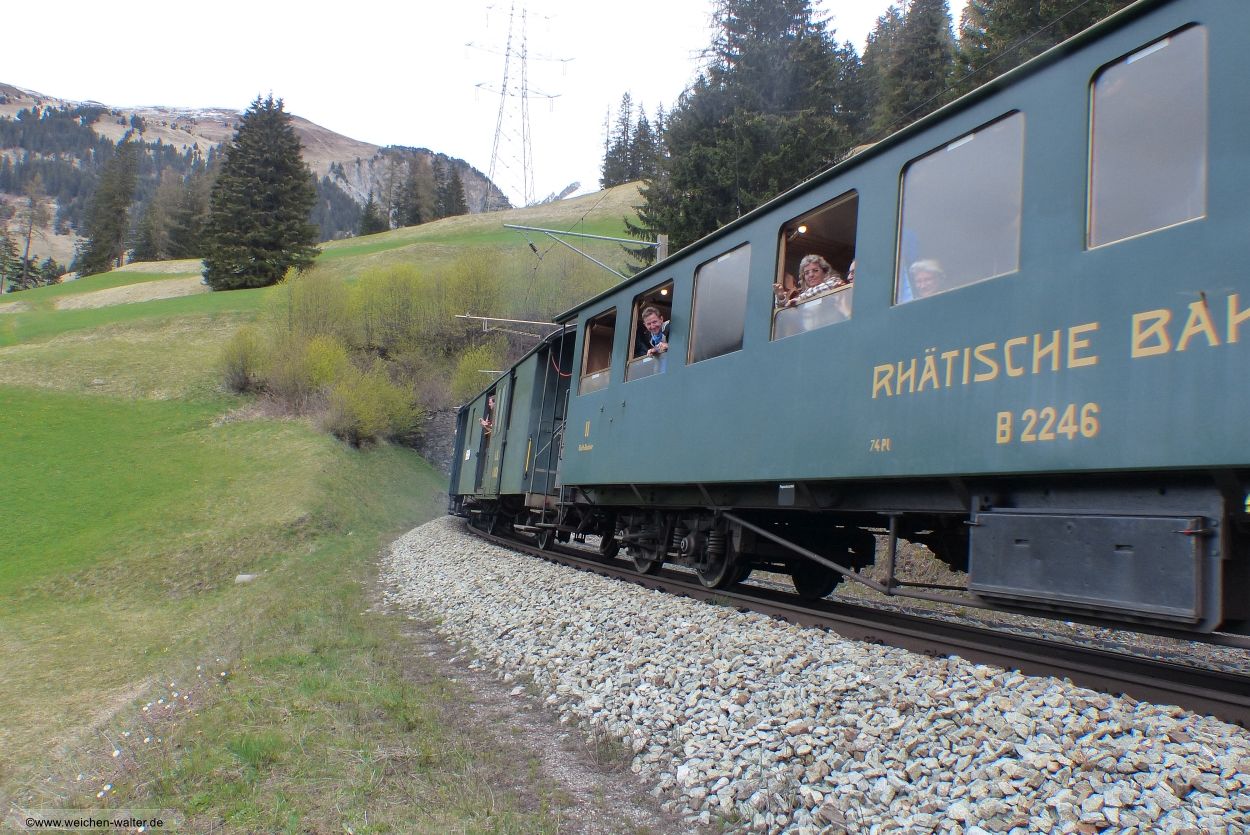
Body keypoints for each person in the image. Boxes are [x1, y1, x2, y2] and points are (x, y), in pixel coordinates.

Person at [634, 305, 669, 374]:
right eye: (649, 324)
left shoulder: (670, 327)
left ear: (661, 319)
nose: (652, 326)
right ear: (645, 325)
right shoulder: (649, 337)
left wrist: (668, 345)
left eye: (654, 322)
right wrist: (654, 350)